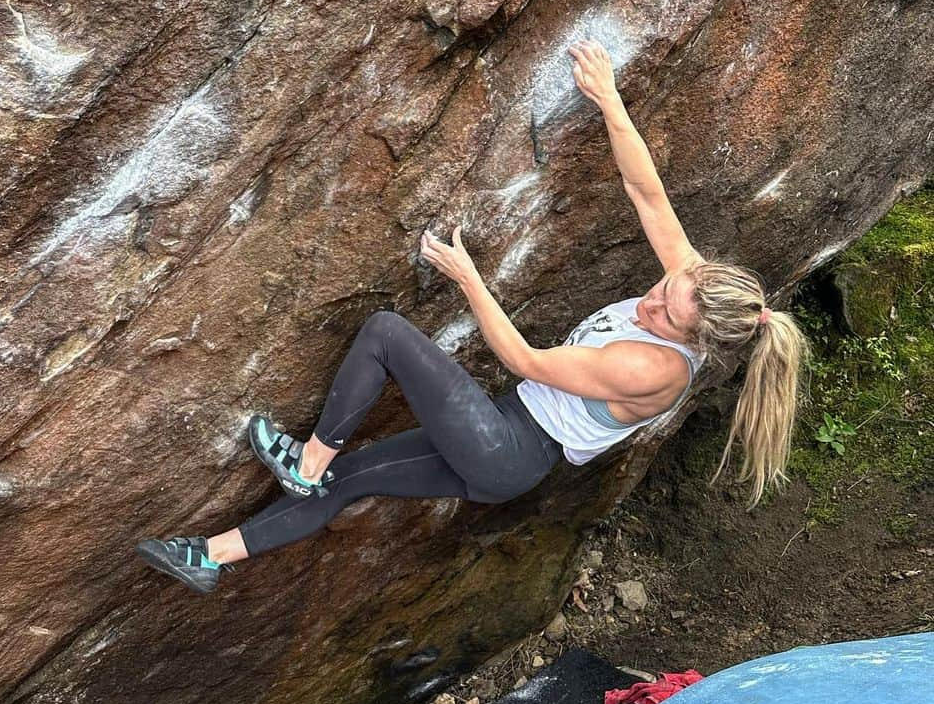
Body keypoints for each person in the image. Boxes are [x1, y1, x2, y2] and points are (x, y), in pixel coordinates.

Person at [137, 39, 808, 594]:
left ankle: (308, 462)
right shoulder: (689, 285)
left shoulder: (652, 367)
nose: (653, 300)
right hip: (503, 430)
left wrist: (469, 278)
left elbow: (525, 362)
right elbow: (646, 192)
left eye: (666, 313)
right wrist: (608, 97)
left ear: (694, 339)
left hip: (511, 451)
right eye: (666, 288)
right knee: (351, 480)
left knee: (386, 335)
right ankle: (208, 559)